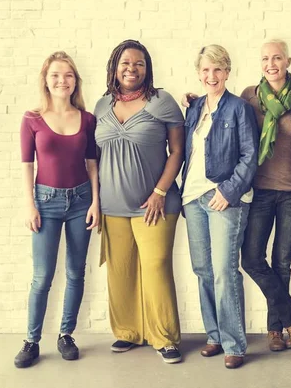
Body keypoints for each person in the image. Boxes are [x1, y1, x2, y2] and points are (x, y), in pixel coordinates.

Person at [94, 39, 185, 364]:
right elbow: (95, 157)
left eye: (139, 64)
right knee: (120, 271)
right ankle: (128, 332)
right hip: (112, 206)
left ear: (147, 69)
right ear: (115, 68)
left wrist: (160, 192)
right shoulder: (102, 105)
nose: (131, 69)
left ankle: (164, 337)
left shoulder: (162, 102)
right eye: (125, 63)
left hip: (155, 205)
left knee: (156, 267)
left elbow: (178, 152)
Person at [15, 52, 100, 368]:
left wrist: (95, 202)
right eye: (55, 75)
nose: (62, 80)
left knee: (76, 271)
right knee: (42, 276)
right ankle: (31, 341)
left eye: (68, 75)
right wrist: (29, 205)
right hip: (45, 203)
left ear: (75, 80)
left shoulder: (87, 118)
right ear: (46, 80)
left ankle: (66, 334)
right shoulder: (32, 119)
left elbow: (92, 165)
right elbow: (27, 165)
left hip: (80, 201)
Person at [181, 45, 259, 369]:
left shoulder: (239, 108)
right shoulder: (194, 108)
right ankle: (214, 335)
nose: (211, 76)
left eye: (217, 70)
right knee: (203, 271)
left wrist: (228, 191)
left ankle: (234, 344)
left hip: (224, 197)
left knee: (225, 272)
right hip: (193, 197)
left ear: (227, 72)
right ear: (199, 73)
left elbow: (250, 156)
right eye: (205, 70)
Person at [239, 40, 291, 352]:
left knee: (282, 262)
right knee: (252, 258)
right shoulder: (250, 96)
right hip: (261, 190)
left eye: (277, 58)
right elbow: (228, 117)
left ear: (288, 61)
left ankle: (275, 331)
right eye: (265, 58)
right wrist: (199, 100)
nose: (271, 64)